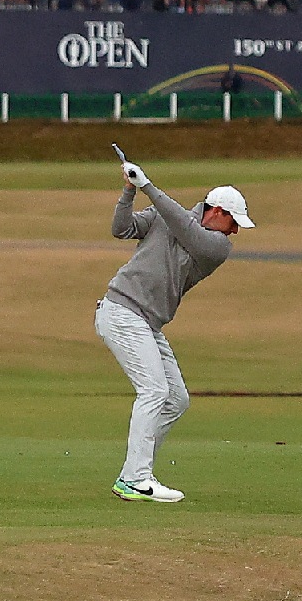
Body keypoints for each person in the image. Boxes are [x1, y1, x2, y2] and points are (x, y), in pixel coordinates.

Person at [95, 157, 254, 504]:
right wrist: (128, 191)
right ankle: (136, 480)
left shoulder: (216, 247)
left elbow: (184, 226)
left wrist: (147, 185)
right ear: (217, 212)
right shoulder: (168, 217)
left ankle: (134, 474)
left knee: (176, 400)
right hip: (122, 310)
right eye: (234, 222)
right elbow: (121, 229)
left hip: (147, 321)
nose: (236, 232)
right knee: (153, 391)